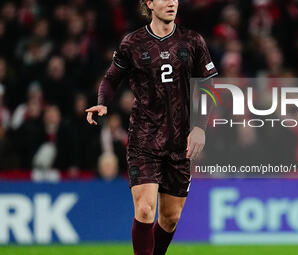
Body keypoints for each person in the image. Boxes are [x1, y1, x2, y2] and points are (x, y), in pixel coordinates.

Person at [85, 1, 217, 254]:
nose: (172, 3)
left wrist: (200, 127)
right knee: (145, 210)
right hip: (144, 139)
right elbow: (111, 78)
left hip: (181, 143)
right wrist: (102, 103)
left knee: (170, 218)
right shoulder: (132, 43)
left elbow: (210, 87)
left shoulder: (192, 41)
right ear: (149, 3)